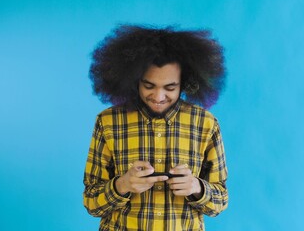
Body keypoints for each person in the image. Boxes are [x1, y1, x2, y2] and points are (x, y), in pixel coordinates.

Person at [83, 24, 228, 231]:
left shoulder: (205, 124)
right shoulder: (108, 122)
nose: (158, 97)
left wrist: (197, 187)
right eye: (149, 86)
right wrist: (122, 185)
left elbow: (220, 202)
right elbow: (91, 203)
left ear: (185, 83)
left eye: (170, 88)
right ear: (134, 81)